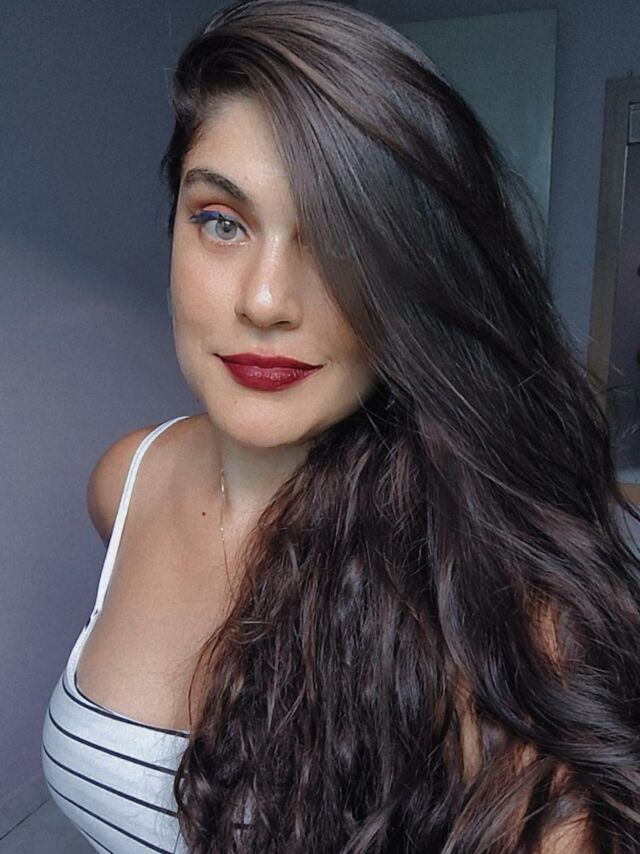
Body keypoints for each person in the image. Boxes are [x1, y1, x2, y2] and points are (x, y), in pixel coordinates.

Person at [42, 0, 640, 851]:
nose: (266, 301)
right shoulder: (126, 480)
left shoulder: (480, 597)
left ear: (412, 272)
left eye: (340, 238)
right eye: (222, 222)